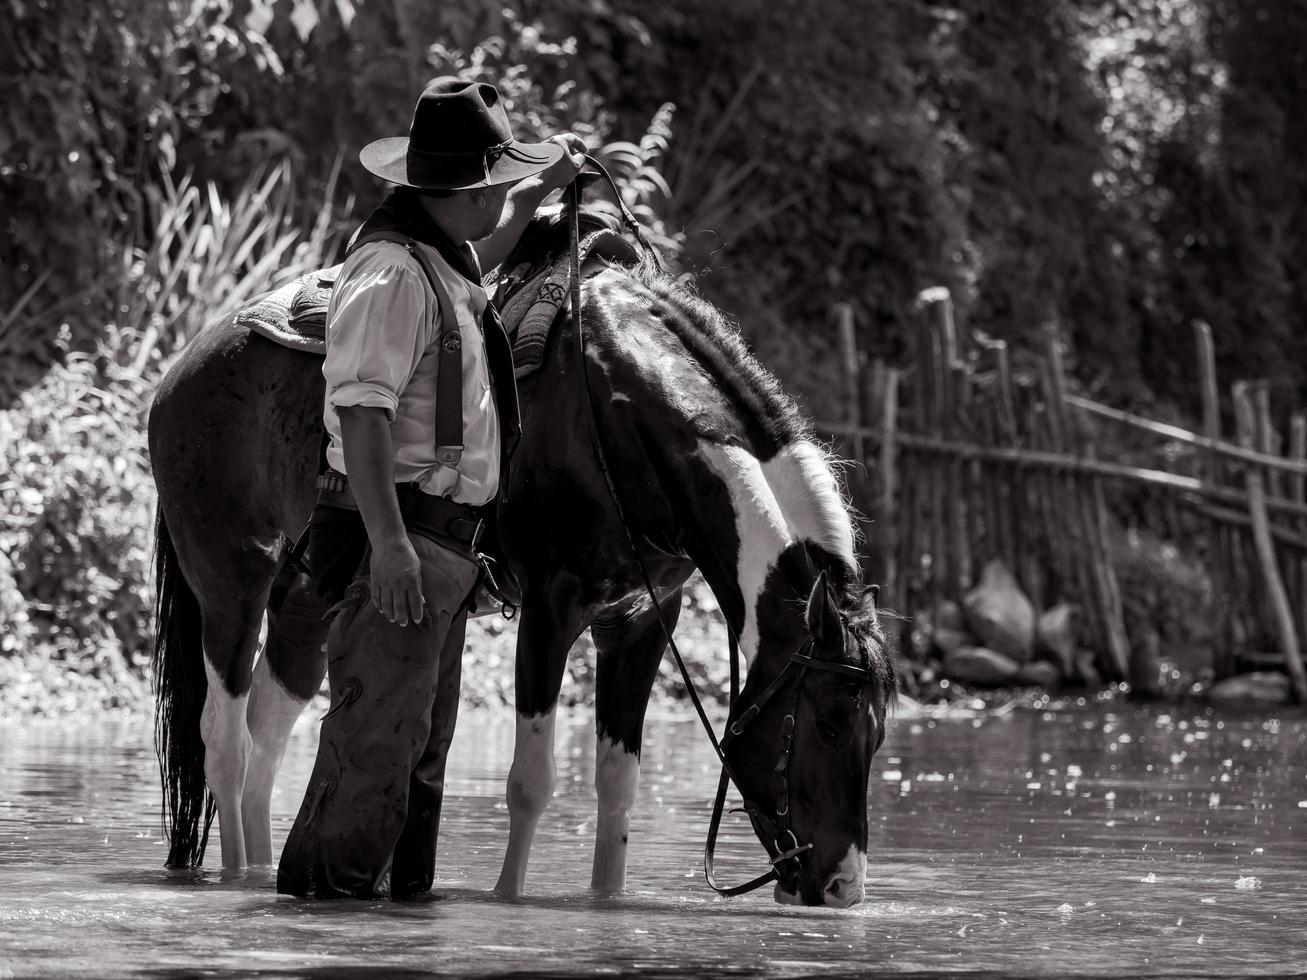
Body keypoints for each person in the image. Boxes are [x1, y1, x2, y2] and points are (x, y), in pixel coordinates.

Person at [276, 76, 584, 900]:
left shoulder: (439, 259)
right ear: (466, 188)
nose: (504, 198)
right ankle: (320, 933)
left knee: (414, 758)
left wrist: (539, 192)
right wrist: (389, 545)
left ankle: (392, 935)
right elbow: (363, 415)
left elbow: (486, 244)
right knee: (376, 752)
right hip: (405, 539)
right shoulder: (391, 275)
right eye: (498, 182)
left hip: (438, 546)